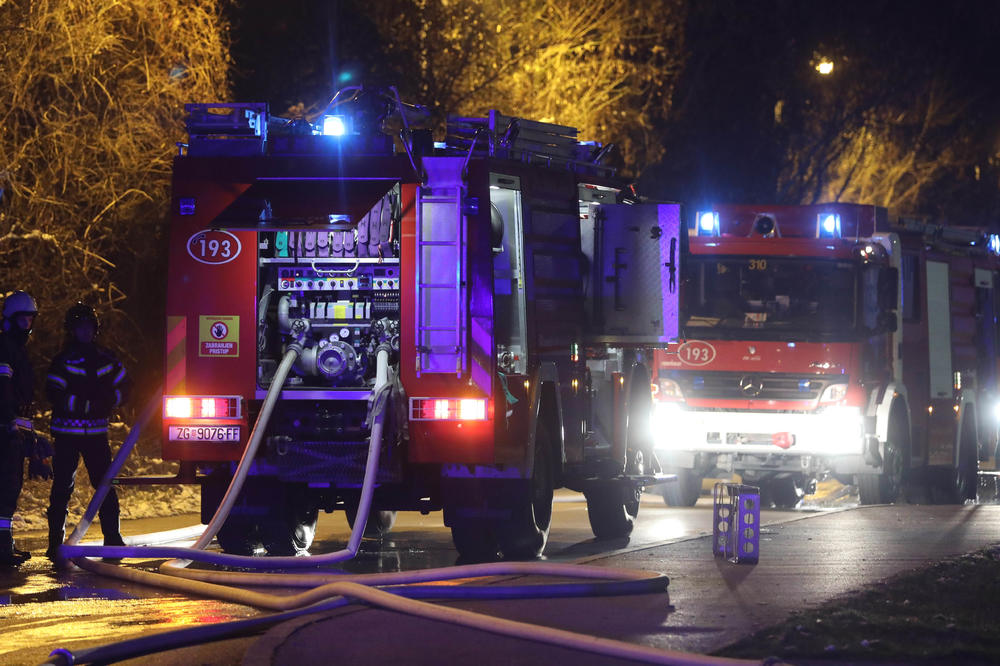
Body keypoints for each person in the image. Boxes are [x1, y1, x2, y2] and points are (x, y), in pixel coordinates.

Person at [45, 303, 129, 561]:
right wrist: (88, 405)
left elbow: (126, 387)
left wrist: (111, 400)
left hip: (95, 435)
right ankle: (55, 543)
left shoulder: (106, 359)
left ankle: (113, 539)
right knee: (62, 486)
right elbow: (55, 394)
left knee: (105, 485)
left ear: (95, 330)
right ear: (71, 330)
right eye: (80, 327)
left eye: (89, 327)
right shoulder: (62, 361)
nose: (85, 332)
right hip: (66, 434)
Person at [0, 290, 45, 567]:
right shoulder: (5, 347)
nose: (28, 325)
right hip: (5, 432)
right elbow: (3, 390)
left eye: (31, 319)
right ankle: (3, 547)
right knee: (6, 489)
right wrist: (10, 426)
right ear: (11, 319)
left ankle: (5, 544)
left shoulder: (16, 349)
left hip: (11, 431)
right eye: (23, 319)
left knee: (9, 489)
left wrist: (33, 437)